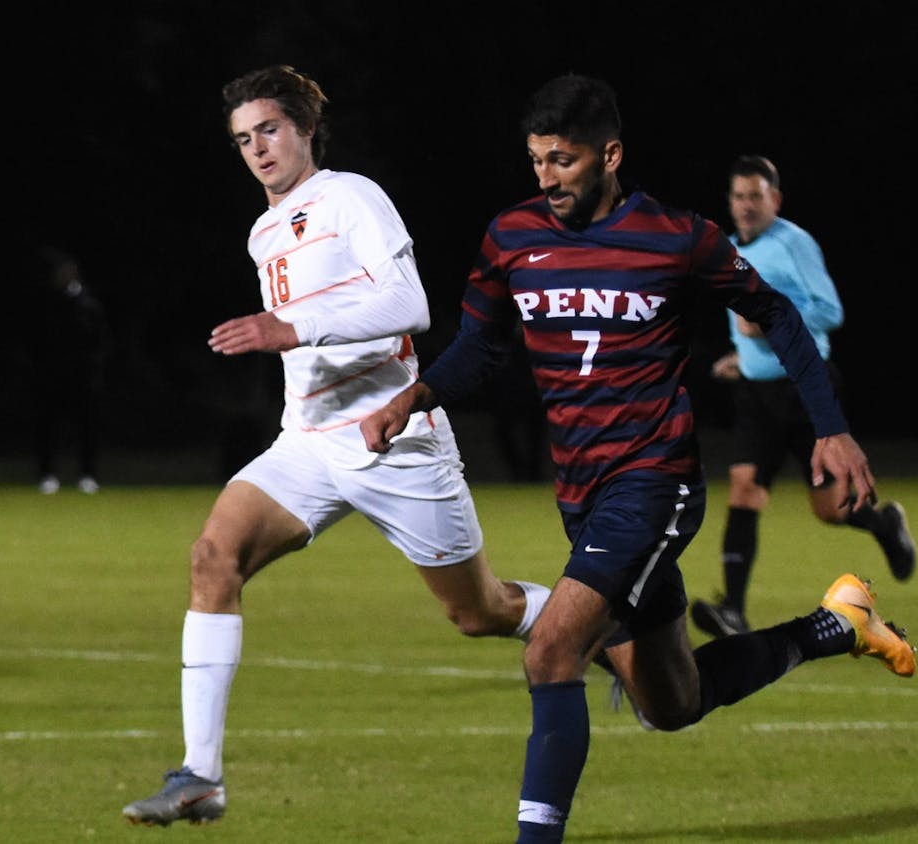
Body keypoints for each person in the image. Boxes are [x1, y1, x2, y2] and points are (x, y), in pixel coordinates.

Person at [360, 74, 917, 844]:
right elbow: (480, 348)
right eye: (536, 161)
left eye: (563, 160)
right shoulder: (512, 238)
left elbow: (778, 315)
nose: (546, 178)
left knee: (552, 650)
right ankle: (835, 624)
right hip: (582, 495)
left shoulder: (675, 236)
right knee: (671, 702)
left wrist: (831, 425)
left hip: (655, 487)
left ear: (610, 154)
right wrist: (413, 397)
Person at [121, 64, 553, 827]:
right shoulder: (261, 230)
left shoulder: (352, 196)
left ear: (306, 131)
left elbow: (409, 303)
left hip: (395, 443)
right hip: (310, 445)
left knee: (479, 613)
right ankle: (200, 777)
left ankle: (604, 622)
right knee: (213, 557)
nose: (258, 148)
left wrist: (292, 326)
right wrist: (292, 359)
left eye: (270, 130)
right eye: (243, 138)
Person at [690, 156, 917, 638]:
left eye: (756, 195)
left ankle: (885, 525)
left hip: (805, 389)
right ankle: (732, 608)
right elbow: (748, 326)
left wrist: (770, 321)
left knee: (829, 508)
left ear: (775, 199)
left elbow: (829, 310)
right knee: (744, 489)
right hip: (757, 395)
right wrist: (741, 356)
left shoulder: (793, 243)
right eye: (739, 196)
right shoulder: (730, 249)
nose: (746, 205)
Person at [28, 247, 109, 494]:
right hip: (52, 376)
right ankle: (47, 474)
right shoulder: (47, 303)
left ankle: (87, 474)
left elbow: (101, 341)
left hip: (83, 377)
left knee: (87, 427)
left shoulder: (88, 305)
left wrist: (93, 368)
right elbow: (37, 340)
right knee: (48, 426)